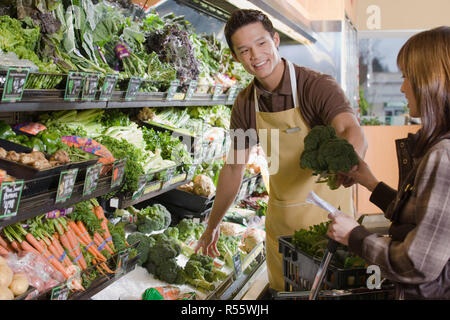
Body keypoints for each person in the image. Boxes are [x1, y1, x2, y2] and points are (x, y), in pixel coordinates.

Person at [194, 9, 367, 292]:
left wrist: (348, 163)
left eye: (261, 43)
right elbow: (234, 167)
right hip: (282, 228)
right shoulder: (245, 104)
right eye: (244, 50)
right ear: (236, 57)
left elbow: (350, 129)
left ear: (275, 40)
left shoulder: (316, 86)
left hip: (329, 224)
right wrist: (212, 225)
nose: (256, 55)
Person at [327, 26, 450, 300]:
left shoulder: (444, 155)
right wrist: (369, 181)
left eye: (407, 77)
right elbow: (427, 217)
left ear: (431, 82)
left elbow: (416, 264)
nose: (403, 87)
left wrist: (354, 236)